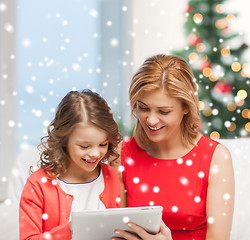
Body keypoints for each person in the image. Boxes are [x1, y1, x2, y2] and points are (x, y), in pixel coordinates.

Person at [111, 54, 234, 240]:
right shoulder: (122, 154)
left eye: (164, 111)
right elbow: (115, 231)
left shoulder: (215, 158)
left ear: (186, 107)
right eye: (143, 108)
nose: (151, 120)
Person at [19, 89, 122, 240]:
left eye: (102, 144)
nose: (95, 154)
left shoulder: (110, 175)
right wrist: (71, 229)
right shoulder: (37, 186)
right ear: (64, 141)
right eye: (84, 146)